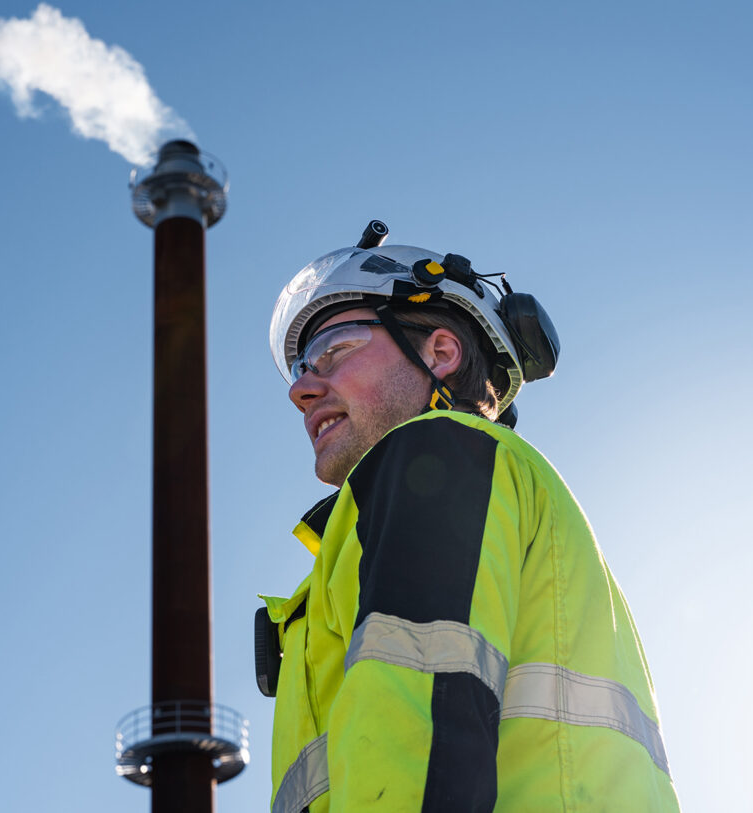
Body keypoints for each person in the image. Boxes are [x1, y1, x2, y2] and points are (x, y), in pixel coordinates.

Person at [255, 223, 681, 812]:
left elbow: (416, 734)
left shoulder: (437, 454)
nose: (302, 388)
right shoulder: (386, 521)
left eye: (333, 352)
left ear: (440, 351)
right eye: (302, 367)